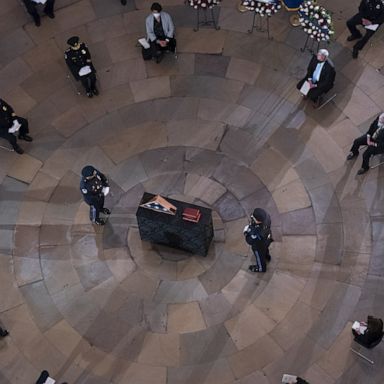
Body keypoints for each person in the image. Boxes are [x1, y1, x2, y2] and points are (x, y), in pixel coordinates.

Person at [243, 208, 272, 273]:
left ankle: (260, 268)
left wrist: (246, 233)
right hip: (267, 239)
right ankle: (267, 256)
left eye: (254, 218)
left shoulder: (258, 232)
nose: (252, 217)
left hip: (259, 246)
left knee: (259, 256)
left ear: (259, 221)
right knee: (265, 249)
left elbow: (250, 241)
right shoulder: (267, 217)